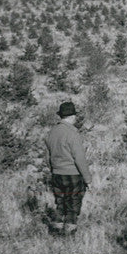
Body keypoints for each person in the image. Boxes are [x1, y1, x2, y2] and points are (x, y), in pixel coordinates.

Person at [44, 101, 91, 236]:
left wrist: (53, 170)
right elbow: (79, 159)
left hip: (56, 174)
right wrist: (87, 179)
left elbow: (47, 156)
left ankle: (56, 232)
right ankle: (68, 237)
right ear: (72, 117)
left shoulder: (51, 132)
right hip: (73, 175)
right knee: (73, 206)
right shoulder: (73, 133)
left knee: (60, 204)